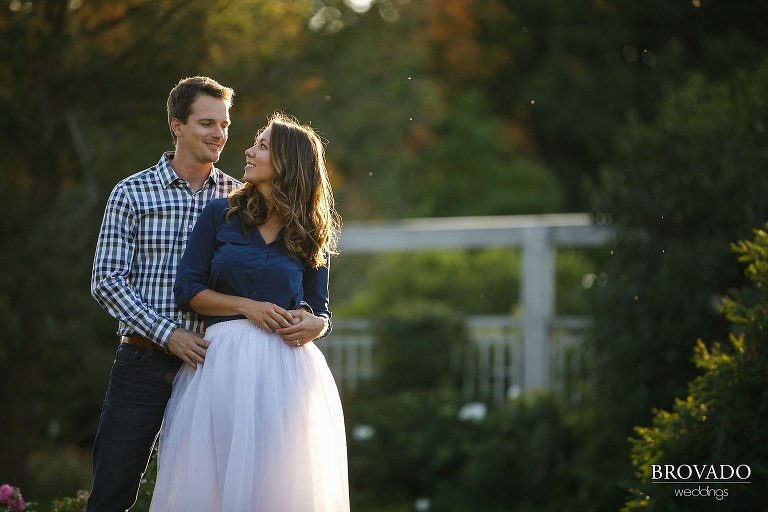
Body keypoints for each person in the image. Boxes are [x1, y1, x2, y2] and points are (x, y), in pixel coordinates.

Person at [149, 112, 349, 512]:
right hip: (221, 365)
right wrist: (247, 307)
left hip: (285, 373)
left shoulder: (310, 228)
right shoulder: (220, 215)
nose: (249, 150)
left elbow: (320, 306)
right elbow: (188, 290)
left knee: (275, 486)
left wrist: (317, 323)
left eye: (262, 145)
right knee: (213, 483)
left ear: (287, 162)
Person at [88, 76, 240, 512]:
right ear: (177, 125)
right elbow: (107, 280)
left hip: (216, 367)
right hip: (142, 363)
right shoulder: (131, 192)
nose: (220, 134)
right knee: (112, 490)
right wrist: (168, 333)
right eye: (207, 123)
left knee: (213, 493)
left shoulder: (240, 198)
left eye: (225, 125)